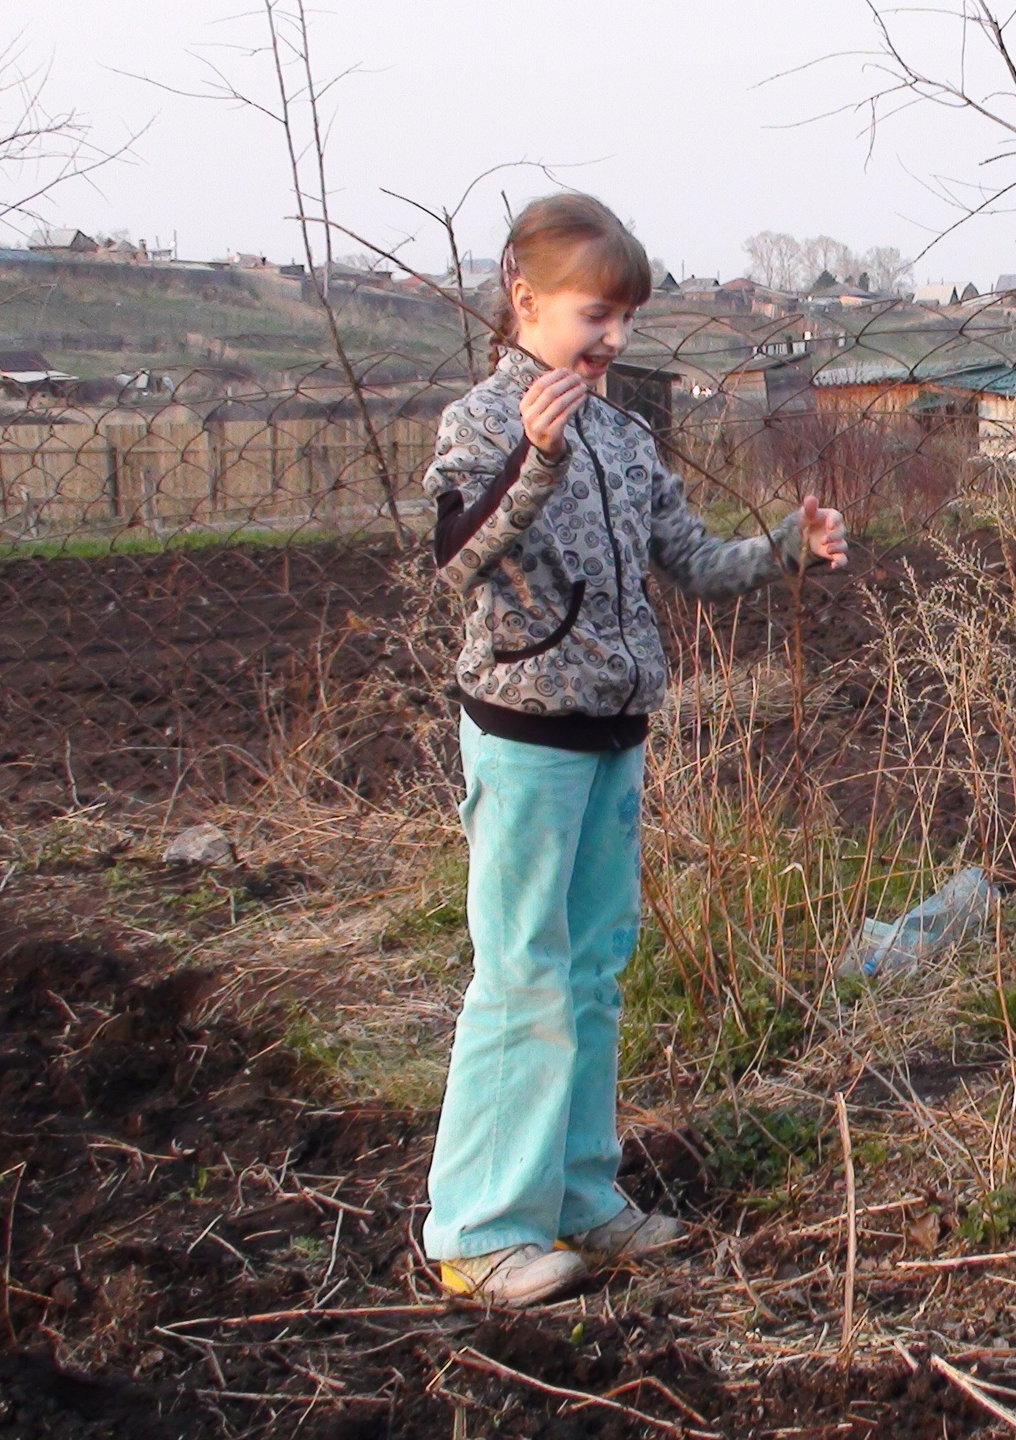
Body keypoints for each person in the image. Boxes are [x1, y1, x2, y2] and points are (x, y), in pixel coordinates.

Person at [421, 193, 849, 1304]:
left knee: (595, 970)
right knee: (522, 976)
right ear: (526, 300)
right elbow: (453, 559)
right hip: (525, 741)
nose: (611, 339)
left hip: (616, 736)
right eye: (593, 313)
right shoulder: (480, 423)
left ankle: (577, 1195)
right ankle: (477, 1229)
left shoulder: (623, 429)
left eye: (624, 318)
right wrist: (535, 456)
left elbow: (690, 562)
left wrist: (785, 552)